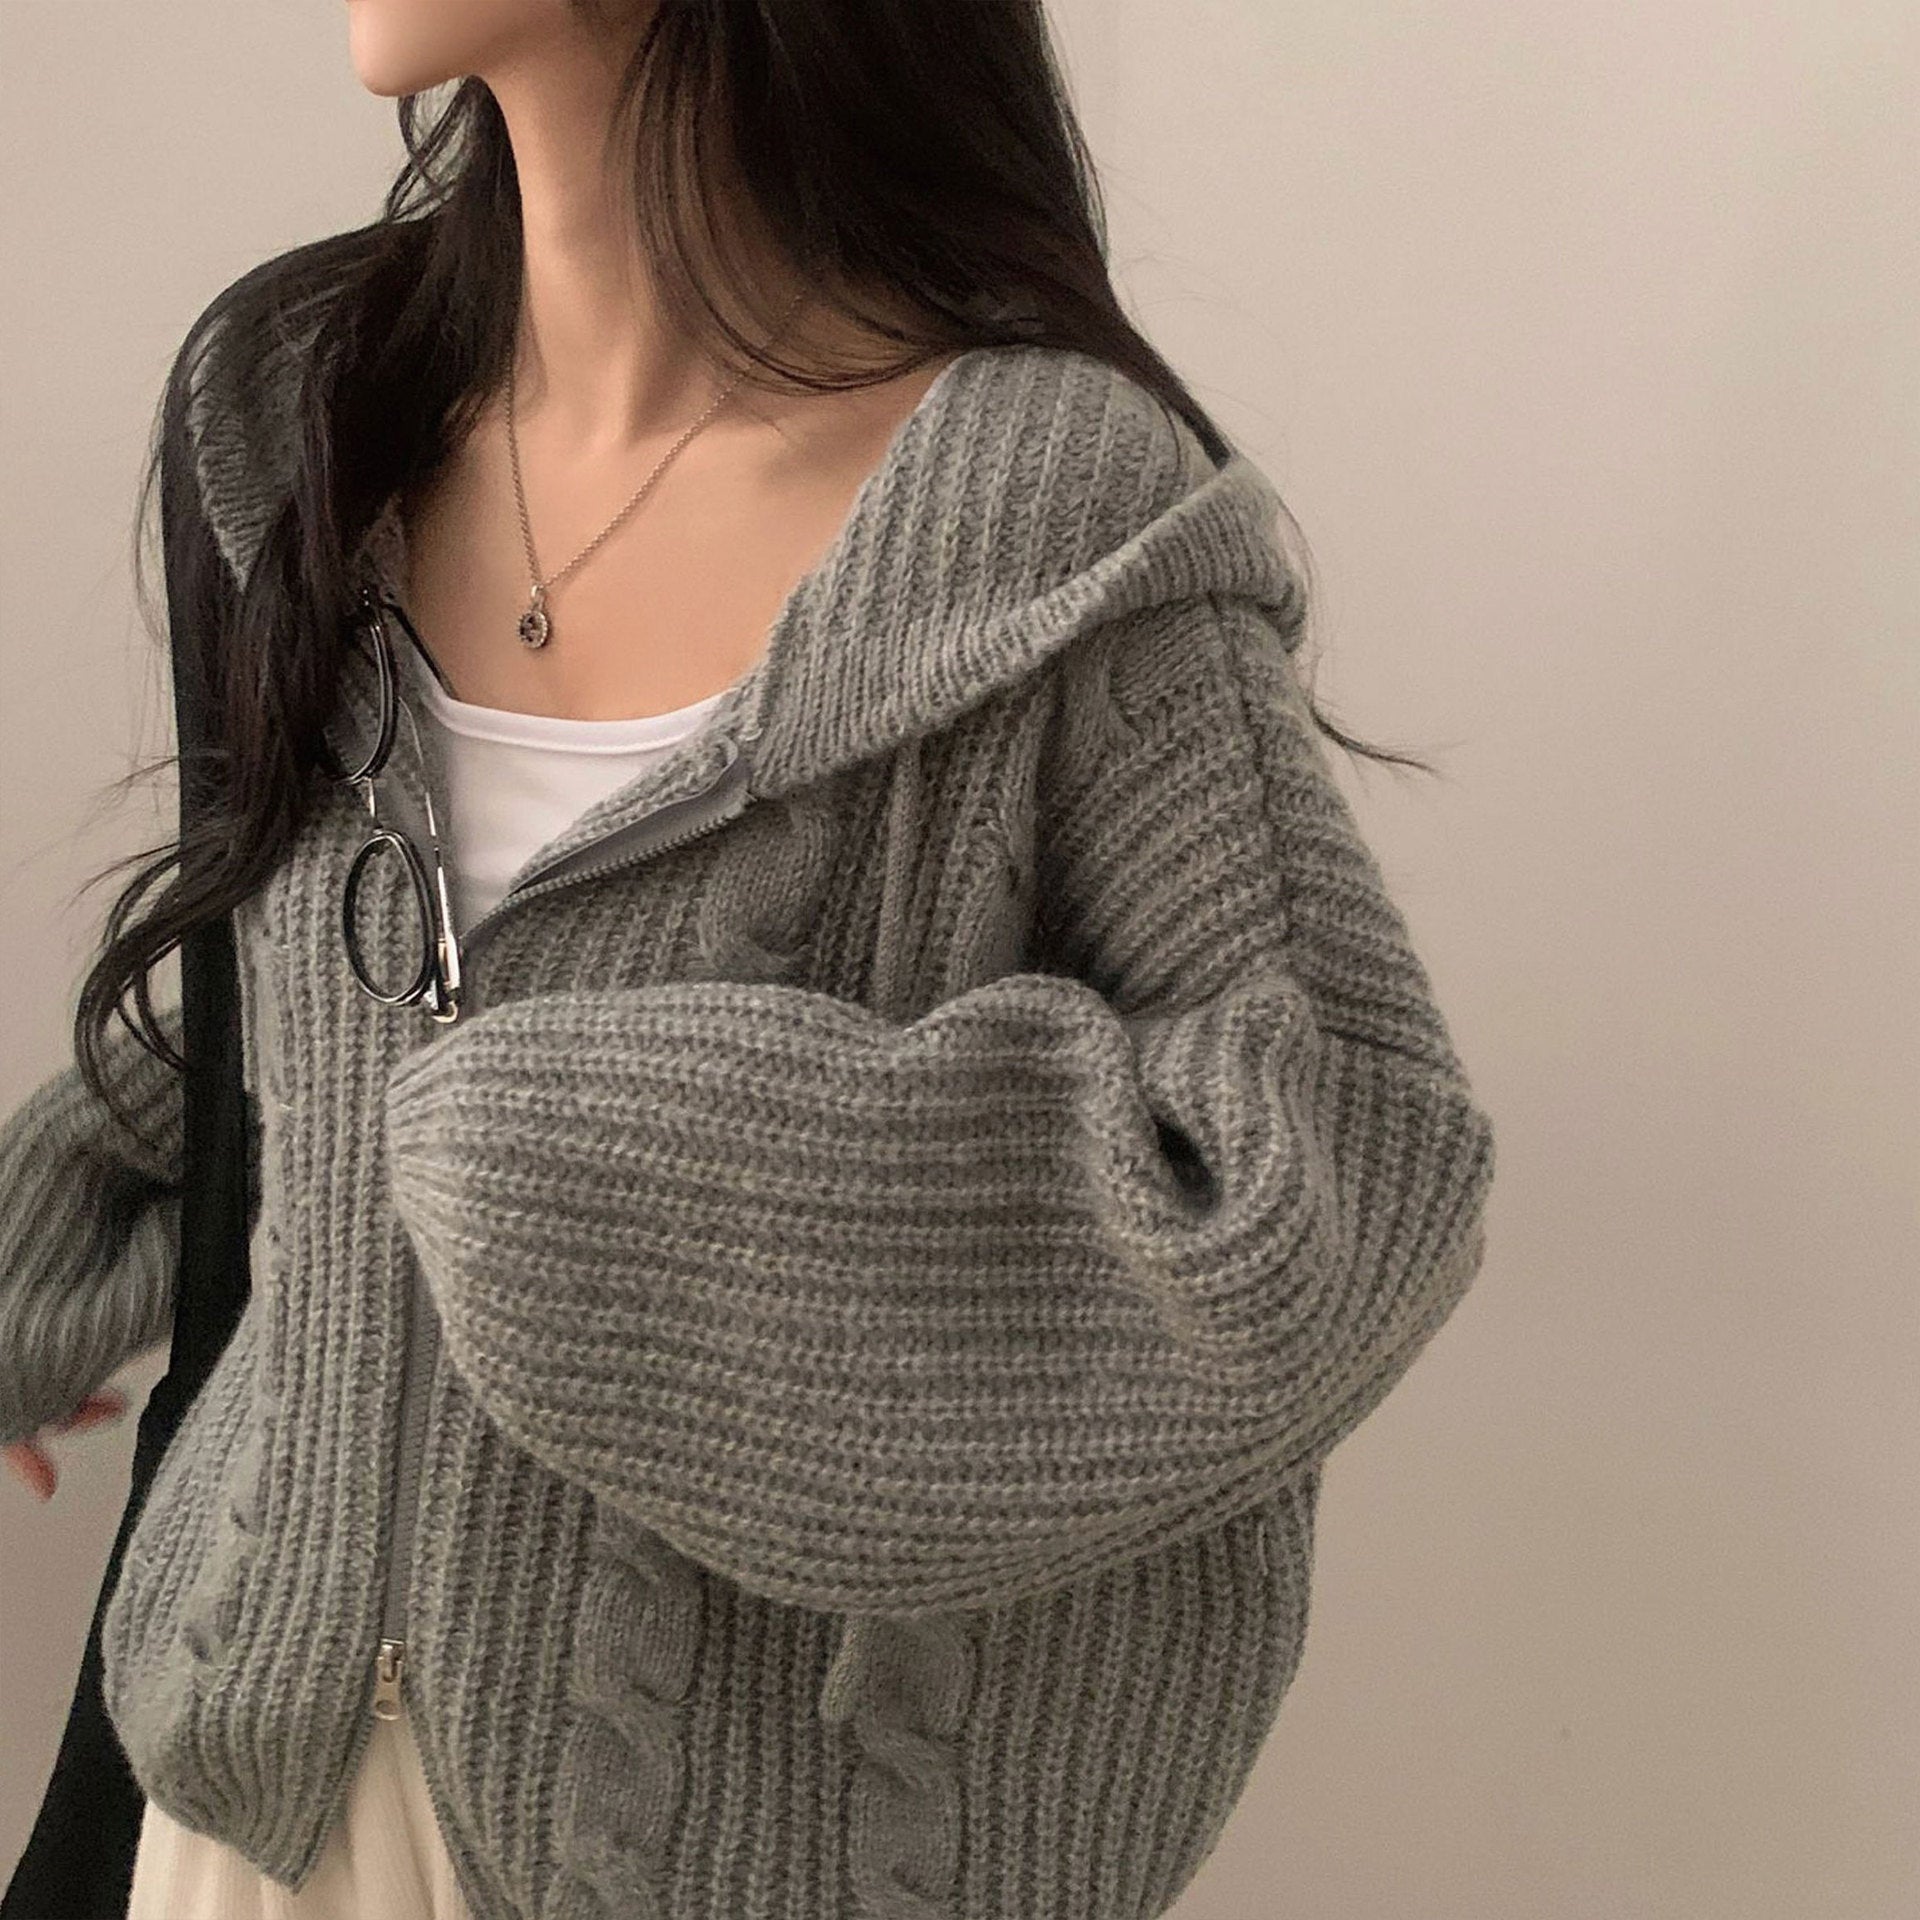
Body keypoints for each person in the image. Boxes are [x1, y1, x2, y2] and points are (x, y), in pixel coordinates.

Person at [1, 2, 1499, 1916]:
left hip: (734, 1857)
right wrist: (44, 1241)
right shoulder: (304, 411)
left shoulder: (1047, 517)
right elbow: (296, 1016)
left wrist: (610, 1182)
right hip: (246, 1809)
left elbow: (1343, 1158)